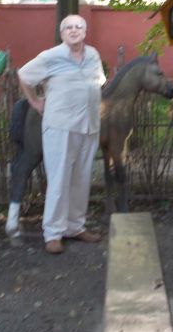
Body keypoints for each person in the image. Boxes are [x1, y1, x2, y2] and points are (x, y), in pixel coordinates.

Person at [17, 14, 106, 254]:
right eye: (69, 27)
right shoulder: (51, 56)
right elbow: (24, 75)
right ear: (62, 33)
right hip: (60, 127)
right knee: (59, 179)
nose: (74, 30)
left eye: (79, 27)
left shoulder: (93, 55)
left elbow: (98, 82)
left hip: (89, 126)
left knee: (81, 179)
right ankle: (53, 234)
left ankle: (75, 227)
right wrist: (35, 101)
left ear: (85, 32)